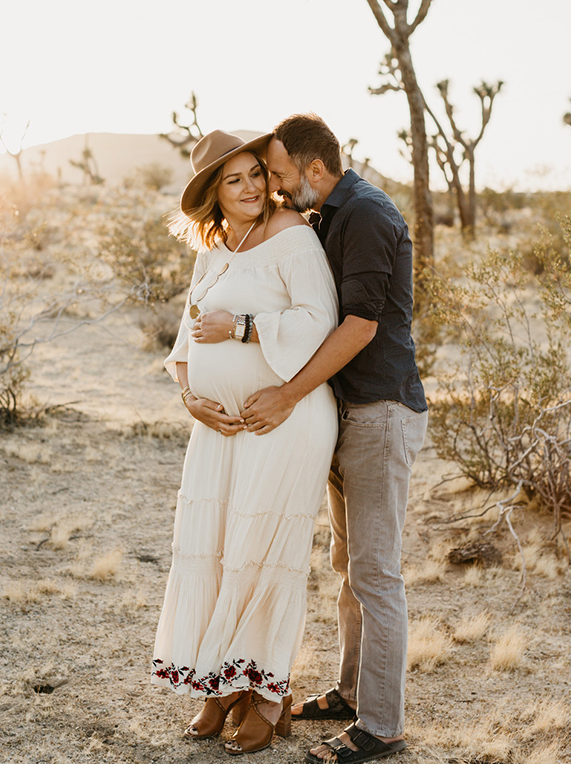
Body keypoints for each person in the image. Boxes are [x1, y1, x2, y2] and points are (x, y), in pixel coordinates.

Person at [240, 113, 429, 764]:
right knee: (348, 569)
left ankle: (382, 727)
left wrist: (288, 395)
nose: (279, 189)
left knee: (376, 574)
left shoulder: (368, 215)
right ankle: (350, 694)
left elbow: (359, 328)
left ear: (315, 169)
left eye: (284, 176)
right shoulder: (327, 214)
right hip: (349, 416)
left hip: (380, 414)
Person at [151, 129, 340, 756]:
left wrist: (243, 329)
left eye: (257, 173)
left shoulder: (293, 237)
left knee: (262, 552)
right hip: (222, 429)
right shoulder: (215, 250)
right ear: (214, 195)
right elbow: (186, 340)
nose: (254, 187)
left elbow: (321, 321)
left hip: (286, 418)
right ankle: (223, 681)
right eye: (234, 180)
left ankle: (264, 693)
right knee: (217, 550)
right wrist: (191, 399)